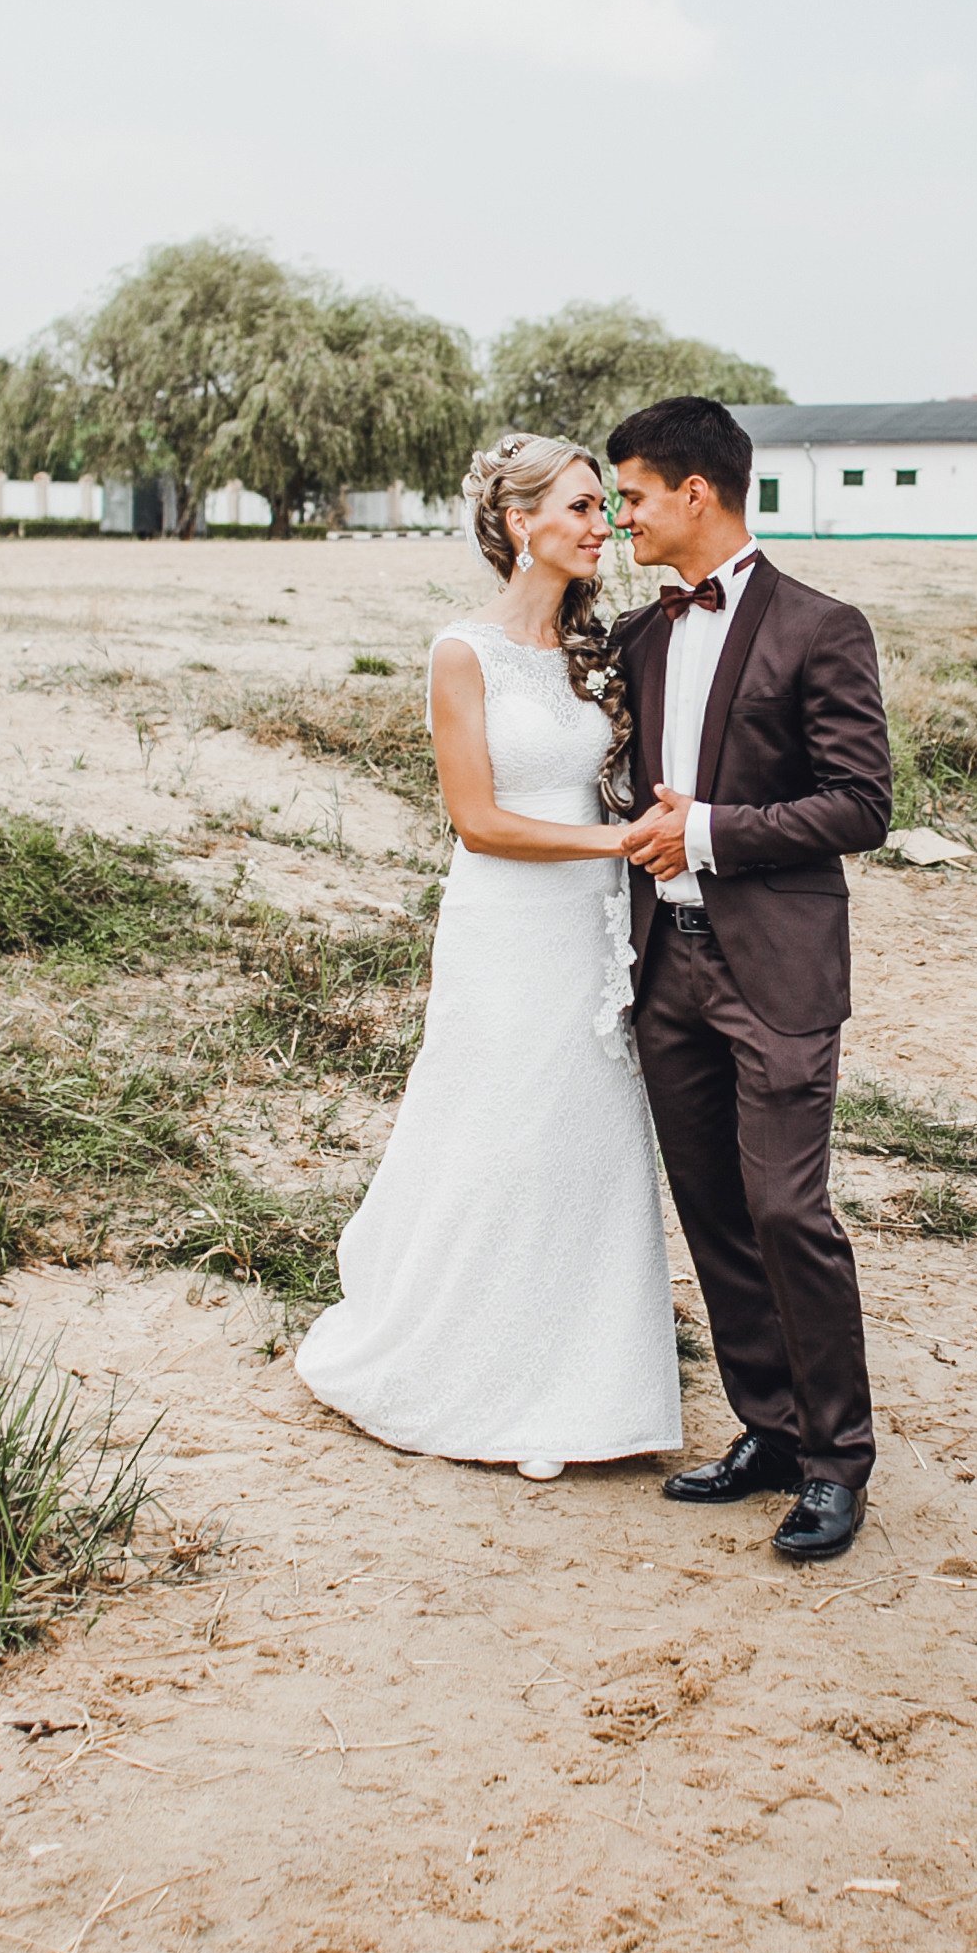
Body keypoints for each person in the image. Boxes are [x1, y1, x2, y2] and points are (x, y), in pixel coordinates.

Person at [293, 436, 682, 1482]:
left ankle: (594, 1390)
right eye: (583, 506)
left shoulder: (605, 649)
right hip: (507, 925)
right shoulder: (460, 652)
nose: (604, 525)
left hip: (595, 928)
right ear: (520, 523)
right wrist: (618, 842)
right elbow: (477, 819)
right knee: (499, 1126)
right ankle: (460, 1368)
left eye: (606, 507)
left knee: (588, 1138)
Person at [609, 396, 894, 1566]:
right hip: (659, 960)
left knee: (786, 1208)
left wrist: (710, 832)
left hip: (771, 963)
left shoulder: (822, 627)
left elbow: (861, 802)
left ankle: (836, 1462)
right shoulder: (637, 635)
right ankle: (768, 1434)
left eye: (631, 493)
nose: (622, 513)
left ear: (694, 492)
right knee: (715, 1214)